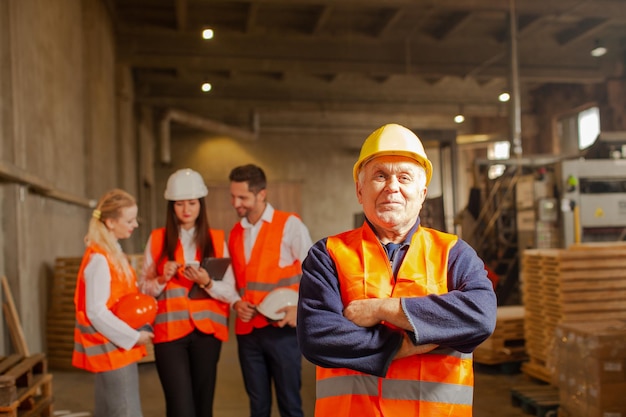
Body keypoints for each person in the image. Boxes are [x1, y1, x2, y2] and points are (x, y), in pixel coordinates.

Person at [296, 123, 498, 416]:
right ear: (359, 189)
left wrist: (382, 309)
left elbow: (480, 316)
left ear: (422, 192)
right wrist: (406, 345)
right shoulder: (328, 254)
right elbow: (318, 336)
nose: (392, 186)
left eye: (404, 177)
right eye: (380, 176)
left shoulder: (453, 252)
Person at [138, 168, 240, 417]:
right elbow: (143, 287)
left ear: (200, 204)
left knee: (203, 407)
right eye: (180, 204)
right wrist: (162, 278)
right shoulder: (158, 239)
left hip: (207, 334)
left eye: (192, 203)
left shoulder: (216, 239)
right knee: (180, 408)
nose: (186, 209)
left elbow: (230, 291)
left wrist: (207, 283)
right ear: (171, 206)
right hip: (169, 334)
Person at [228, 164, 313, 417]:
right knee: (258, 406)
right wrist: (235, 302)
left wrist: (299, 306)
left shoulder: (289, 225)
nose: (236, 203)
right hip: (247, 332)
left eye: (242, 197)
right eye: (233, 196)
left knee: (290, 404)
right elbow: (235, 280)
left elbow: (315, 274)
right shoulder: (235, 233)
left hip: (282, 332)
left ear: (261, 194)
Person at [72, 188, 154, 417]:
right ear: (110, 222)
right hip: (113, 351)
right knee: (125, 411)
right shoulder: (100, 259)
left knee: (109, 410)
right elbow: (96, 312)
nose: (135, 224)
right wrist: (134, 337)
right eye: (129, 220)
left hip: (115, 349)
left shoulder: (111, 253)